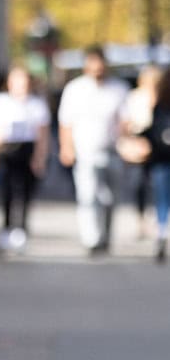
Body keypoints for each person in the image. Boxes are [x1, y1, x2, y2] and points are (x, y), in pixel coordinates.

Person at [57, 47, 129, 256]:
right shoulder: (75, 89)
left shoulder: (118, 89)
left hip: (112, 149)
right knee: (88, 195)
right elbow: (66, 122)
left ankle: (105, 235)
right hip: (85, 151)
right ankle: (91, 238)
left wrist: (127, 143)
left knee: (110, 198)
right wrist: (66, 147)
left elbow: (125, 120)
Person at [0, 65, 51, 253]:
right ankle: (6, 228)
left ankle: (21, 230)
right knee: (6, 190)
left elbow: (42, 134)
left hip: (27, 148)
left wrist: (40, 157)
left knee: (26, 191)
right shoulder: (0, 101)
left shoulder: (36, 104)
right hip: (6, 148)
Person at [125, 66, 170, 262]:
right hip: (158, 157)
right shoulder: (153, 102)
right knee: (157, 195)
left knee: (162, 197)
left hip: (159, 156)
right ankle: (160, 231)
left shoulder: (158, 103)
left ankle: (162, 231)